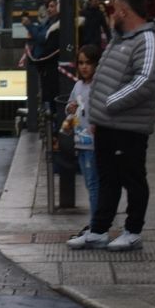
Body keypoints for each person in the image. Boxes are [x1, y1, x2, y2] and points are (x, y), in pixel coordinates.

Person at [68, 0, 155, 252]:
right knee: (107, 178)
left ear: (124, 12)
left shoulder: (149, 40)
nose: (111, 16)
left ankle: (133, 231)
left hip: (128, 126)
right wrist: (99, 115)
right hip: (107, 124)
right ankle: (99, 230)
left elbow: (145, 81)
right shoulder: (119, 39)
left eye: (114, 11)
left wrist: (109, 103)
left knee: (133, 179)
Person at [62, 45, 101, 239]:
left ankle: (96, 224)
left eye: (88, 63)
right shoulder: (78, 86)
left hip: (95, 143)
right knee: (91, 184)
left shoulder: (99, 86)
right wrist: (70, 108)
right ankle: (96, 222)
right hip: (81, 141)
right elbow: (70, 107)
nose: (84, 67)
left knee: (94, 184)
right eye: (81, 63)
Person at [22, 0, 61, 117]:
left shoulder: (56, 25)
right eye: (48, 6)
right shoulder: (49, 22)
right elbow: (39, 30)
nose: (49, 9)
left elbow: (41, 37)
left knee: (52, 94)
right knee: (46, 94)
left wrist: (29, 26)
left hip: (50, 65)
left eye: (52, 6)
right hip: (45, 65)